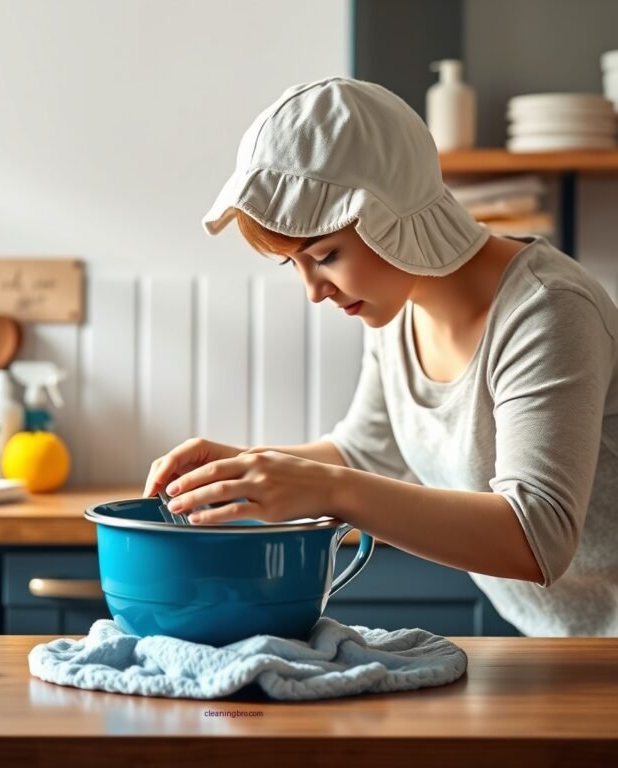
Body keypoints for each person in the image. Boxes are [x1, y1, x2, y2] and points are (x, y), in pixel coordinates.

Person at [142, 77, 618, 637]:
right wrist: (242, 468)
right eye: (293, 264)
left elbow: (538, 536)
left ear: (392, 216)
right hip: (566, 644)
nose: (314, 291)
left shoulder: (546, 309)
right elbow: (365, 453)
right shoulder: (398, 305)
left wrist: (328, 491)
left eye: (326, 255)